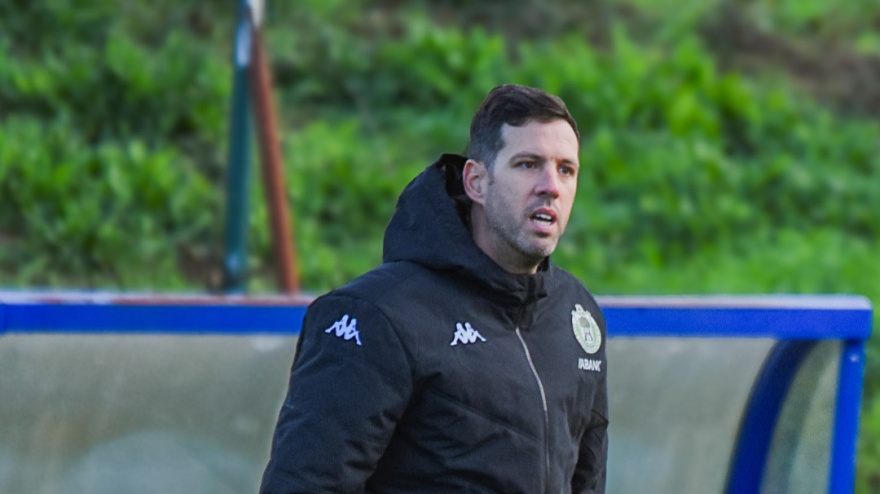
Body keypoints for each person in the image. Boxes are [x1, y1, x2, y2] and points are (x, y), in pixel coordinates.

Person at [260, 84, 608, 494]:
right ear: (476, 182)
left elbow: (586, 482)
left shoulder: (576, 314)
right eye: (528, 164)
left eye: (566, 169)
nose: (551, 186)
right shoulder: (377, 316)